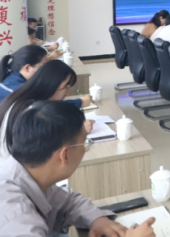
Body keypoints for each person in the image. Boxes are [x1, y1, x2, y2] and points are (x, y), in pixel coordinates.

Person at [0, 101, 156, 237]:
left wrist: (96, 218)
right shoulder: (16, 218)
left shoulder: (26, 173)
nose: (84, 150)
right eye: (84, 144)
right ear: (65, 155)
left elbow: (68, 201)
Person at [1, 60, 93, 164]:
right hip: (18, 167)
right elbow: (48, 144)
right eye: (66, 87)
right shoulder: (31, 110)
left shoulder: (24, 99)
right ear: (51, 84)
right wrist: (79, 131)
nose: (67, 93)